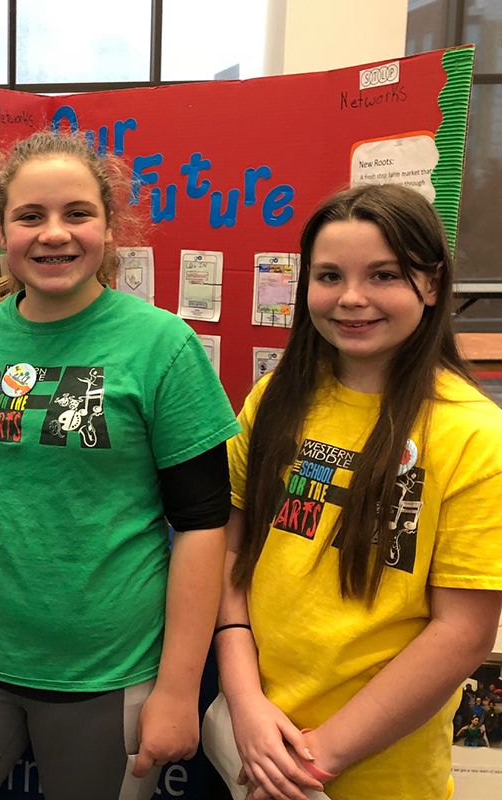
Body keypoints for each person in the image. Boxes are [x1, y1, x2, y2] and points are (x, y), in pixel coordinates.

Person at [0, 130, 241, 800]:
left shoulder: (163, 346)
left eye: (77, 214)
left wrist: (179, 687)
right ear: (1, 230)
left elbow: (201, 524)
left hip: (108, 672)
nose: (54, 235)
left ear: (109, 225)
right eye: (30, 216)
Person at [213, 183, 502, 800]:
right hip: (250, 744)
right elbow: (231, 552)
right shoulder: (274, 400)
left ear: (430, 284)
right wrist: (244, 706)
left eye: (384, 275)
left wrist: (313, 763)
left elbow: (463, 634)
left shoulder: (476, 435)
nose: (350, 298)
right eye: (328, 275)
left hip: (377, 775)